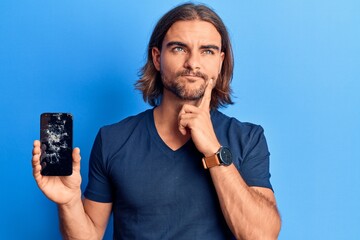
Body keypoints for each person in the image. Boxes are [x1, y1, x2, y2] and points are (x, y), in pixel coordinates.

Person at [32, 3, 281, 239]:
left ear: (220, 61)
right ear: (157, 58)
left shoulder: (248, 138)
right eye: (179, 48)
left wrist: (214, 151)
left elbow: (262, 236)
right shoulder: (113, 139)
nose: (192, 63)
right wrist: (69, 202)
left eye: (207, 51)